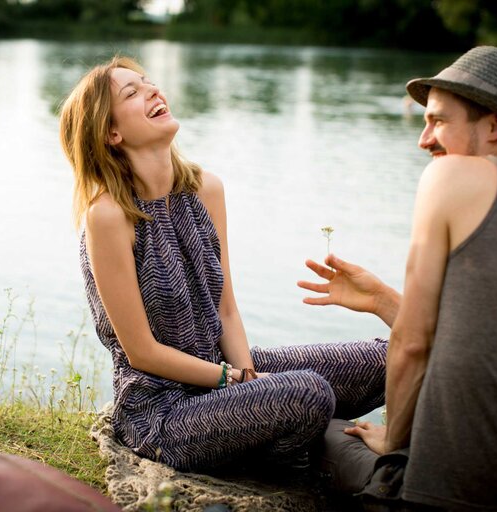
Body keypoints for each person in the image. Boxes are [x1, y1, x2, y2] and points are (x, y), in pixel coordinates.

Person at [58, 56, 388, 473]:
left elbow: (226, 309)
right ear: (111, 133)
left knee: (386, 360)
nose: (154, 92)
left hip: (225, 373)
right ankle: (294, 445)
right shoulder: (107, 217)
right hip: (162, 412)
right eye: (133, 93)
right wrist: (232, 382)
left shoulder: (206, 189)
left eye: (149, 83)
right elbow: (140, 352)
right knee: (309, 393)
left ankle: (279, 433)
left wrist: (247, 379)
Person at [299, 46, 497, 511]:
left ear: (494, 125)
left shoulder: (452, 177)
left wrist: (395, 441)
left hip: (444, 494)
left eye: (440, 121)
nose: (424, 139)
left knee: (307, 421)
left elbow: (413, 345)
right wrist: (385, 300)